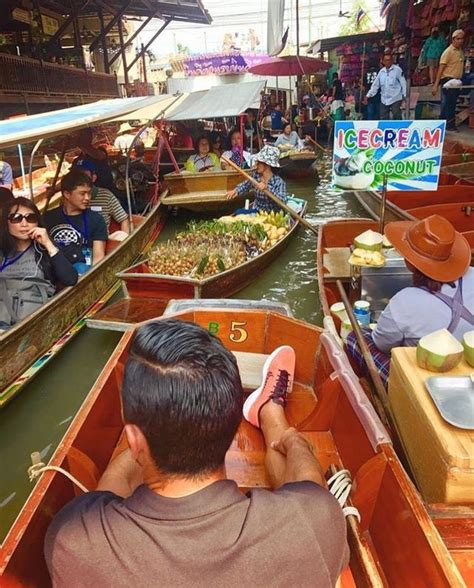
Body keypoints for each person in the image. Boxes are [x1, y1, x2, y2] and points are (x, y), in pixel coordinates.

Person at [45, 319, 349, 586]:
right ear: (232, 431)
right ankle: (270, 412)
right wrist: (290, 438)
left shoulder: (73, 540)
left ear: (135, 440)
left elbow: (109, 494)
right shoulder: (317, 521)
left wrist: (147, 437)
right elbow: (308, 488)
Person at [347, 215, 474, 386]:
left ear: (410, 262)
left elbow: (382, 344)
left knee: (355, 337)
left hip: (425, 376)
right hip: (468, 364)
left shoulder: (405, 301)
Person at [0, 197, 77, 329]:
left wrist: (48, 244)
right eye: (17, 218)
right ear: (6, 223)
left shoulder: (45, 250)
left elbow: (71, 279)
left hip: (33, 319)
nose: (24, 224)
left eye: (30, 218)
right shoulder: (2, 251)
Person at [44, 170, 108, 275]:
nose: (87, 198)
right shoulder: (49, 218)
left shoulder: (96, 220)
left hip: (83, 272)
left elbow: (98, 258)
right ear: (67, 194)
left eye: (89, 193)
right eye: (82, 194)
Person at [75, 160, 130, 241]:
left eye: (83, 176)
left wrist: (124, 242)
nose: (79, 180)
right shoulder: (69, 199)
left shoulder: (106, 195)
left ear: (93, 178)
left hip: (102, 241)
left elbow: (123, 219)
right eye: (76, 176)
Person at [226, 145, 288, 212]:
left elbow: (283, 200)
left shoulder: (278, 182)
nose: (256, 165)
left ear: (267, 165)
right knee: (239, 212)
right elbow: (246, 185)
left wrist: (268, 189)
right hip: (257, 211)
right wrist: (236, 191)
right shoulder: (256, 176)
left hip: (272, 214)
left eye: (258, 163)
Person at [433, 30, 465, 131]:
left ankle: (443, 123)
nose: (461, 41)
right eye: (458, 39)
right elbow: (440, 69)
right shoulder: (448, 52)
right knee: (449, 103)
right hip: (448, 80)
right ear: (453, 39)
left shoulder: (460, 51)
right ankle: (449, 125)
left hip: (456, 80)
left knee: (450, 103)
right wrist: (435, 85)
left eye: (462, 39)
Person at [365, 52, 406, 120]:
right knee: (383, 116)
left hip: (396, 97)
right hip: (384, 98)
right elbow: (375, 85)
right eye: (386, 60)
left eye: (389, 60)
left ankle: (398, 129)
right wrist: (368, 95)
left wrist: (405, 95)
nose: (388, 62)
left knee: (396, 113)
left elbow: (403, 83)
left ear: (392, 60)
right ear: (383, 61)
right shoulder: (381, 72)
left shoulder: (397, 70)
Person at [74, 128, 115, 193]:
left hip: (104, 190)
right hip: (87, 192)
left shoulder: (100, 151)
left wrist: (83, 146)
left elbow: (100, 156)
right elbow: (71, 177)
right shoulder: (77, 160)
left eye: (86, 135)